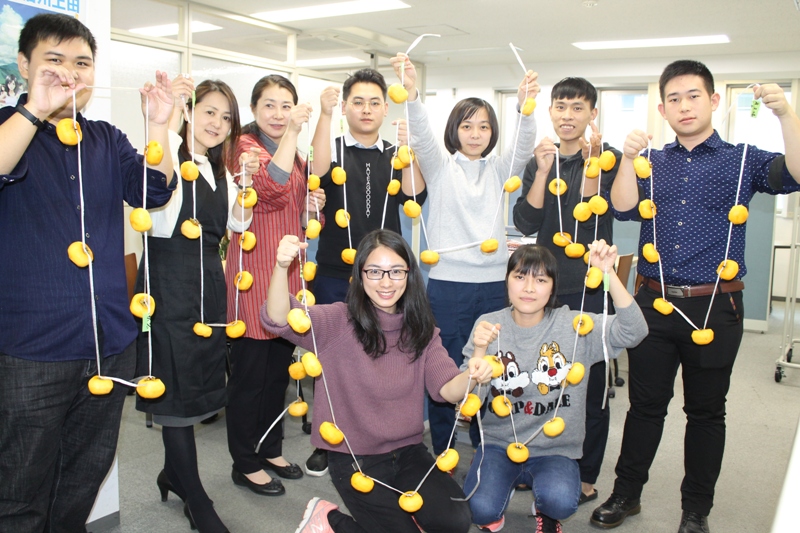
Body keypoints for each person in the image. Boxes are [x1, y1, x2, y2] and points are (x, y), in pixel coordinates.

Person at [591, 60, 800, 533]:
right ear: (663, 108)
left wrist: (787, 114)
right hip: (653, 301)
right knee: (645, 405)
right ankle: (627, 494)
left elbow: (796, 173)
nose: (684, 106)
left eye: (694, 96)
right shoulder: (652, 162)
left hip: (716, 305)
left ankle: (695, 511)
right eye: (675, 99)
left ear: (714, 101)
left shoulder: (743, 159)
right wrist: (626, 157)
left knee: (706, 411)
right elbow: (623, 208)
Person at [0, 13, 176, 532]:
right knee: (18, 489)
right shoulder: (10, 129)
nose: (69, 73)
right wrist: (36, 108)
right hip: (31, 350)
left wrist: (160, 123)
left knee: (84, 476)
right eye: (53, 61)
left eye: (82, 63)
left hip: (107, 344)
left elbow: (153, 190)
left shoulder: (104, 137)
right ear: (24, 65)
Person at [262, 229, 493, 533]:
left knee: (455, 522)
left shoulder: (421, 330)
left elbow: (448, 391)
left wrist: (474, 370)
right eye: (375, 271)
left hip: (409, 452)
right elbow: (279, 318)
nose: (386, 282)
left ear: (409, 275)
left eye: (396, 271)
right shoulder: (339, 321)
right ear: (360, 275)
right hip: (355, 458)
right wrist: (281, 266)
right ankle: (329, 519)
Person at [390, 52, 539, 456]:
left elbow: (524, 145)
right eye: (467, 126)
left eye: (484, 126)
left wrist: (528, 106)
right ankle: (442, 452)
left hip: (493, 287)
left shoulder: (500, 171)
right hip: (447, 287)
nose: (475, 134)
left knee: (490, 371)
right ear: (455, 131)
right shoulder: (439, 168)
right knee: (443, 371)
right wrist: (413, 92)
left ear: (492, 132)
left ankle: (486, 448)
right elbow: (420, 135)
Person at [135, 76, 256, 532]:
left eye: (226, 117)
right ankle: (195, 496)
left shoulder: (215, 168)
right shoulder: (169, 150)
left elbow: (232, 226)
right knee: (174, 391)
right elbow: (156, 198)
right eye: (208, 111)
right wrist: (163, 122)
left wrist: (243, 189)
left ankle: (174, 475)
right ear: (188, 111)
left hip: (207, 282)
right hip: (167, 282)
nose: (218, 123)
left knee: (196, 386)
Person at [462, 241, 647, 532]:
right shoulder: (489, 325)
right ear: (507, 281)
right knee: (480, 509)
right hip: (499, 445)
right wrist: (478, 356)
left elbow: (635, 331)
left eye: (540, 279)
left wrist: (608, 273)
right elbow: (466, 398)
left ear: (552, 288)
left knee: (560, 502)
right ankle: (502, 490)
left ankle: (544, 508)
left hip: (555, 448)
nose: (529, 288)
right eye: (520, 277)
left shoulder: (575, 325)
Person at [304, 68, 426, 476]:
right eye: (358, 101)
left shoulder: (396, 154)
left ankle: (378, 434)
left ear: (386, 107)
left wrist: (412, 151)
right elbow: (315, 175)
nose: (367, 109)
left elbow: (415, 195)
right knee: (330, 358)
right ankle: (326, 436)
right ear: (345, 107)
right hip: (337, 272)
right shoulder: (333, 148)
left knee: (382, 355)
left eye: (375, 102)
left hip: (386, 277)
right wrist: (323, 117)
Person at [513, 77, 622, 504]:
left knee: (589, 385)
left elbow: (596, 217)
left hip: (590, 287)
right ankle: (535, 460)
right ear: (551, 112)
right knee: (541, 379)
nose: (568, 116)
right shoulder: (540, 158)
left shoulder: (607, 159)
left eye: (578, 108)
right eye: (560, 107)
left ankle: (585, 472)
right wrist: (541, 171)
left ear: (592, 113)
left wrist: (594, 160)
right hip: (543, 287)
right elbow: (525, 222)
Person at [224, 74, 326, 496]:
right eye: (270, 105)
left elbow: (295, 205)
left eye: (287, 105)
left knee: (277, 371)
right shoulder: (244, 148)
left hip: (287, 275)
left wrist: (311, 207)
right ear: (253, 110)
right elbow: (270, 185)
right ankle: (244, 461)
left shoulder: (294, 152)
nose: (279, 114)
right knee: (250, 374)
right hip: (254, 275)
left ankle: (269, 446)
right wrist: (297, 131)